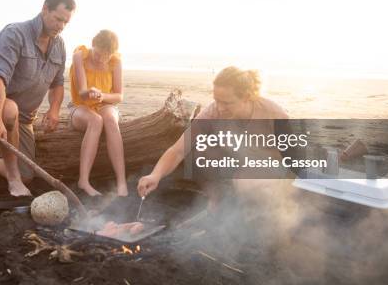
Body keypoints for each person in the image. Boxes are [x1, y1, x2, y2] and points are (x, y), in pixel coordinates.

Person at [0, 0, 76, 197]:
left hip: (24, 118)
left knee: (27, 175)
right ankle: (13, 181)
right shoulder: (15, 34)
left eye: (66, 22)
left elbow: (58, 84)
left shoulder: (59, 45)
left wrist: (54, 110)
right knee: (9, 109)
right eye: (58, 19)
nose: (61, 26)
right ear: (44, 9)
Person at [137, 66, 289, 210]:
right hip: (235, 161)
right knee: (199, 150)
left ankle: (254, 211)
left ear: (247, 97)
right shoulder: (213, 112)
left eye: (227, 103)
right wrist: (155, 175)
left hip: (268, 166)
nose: (220, 108)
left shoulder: (274, 114)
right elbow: (178, 150)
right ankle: (216, 199)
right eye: (217, 100)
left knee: (247, 183)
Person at [69, 30, 127, 196]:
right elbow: (81, 92)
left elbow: (119, 96)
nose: (101, 59)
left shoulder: (115, 62)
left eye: (106, 55)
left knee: (109, 119)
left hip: (104, 104)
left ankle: (121, 182)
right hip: (80, 106)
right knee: (96, 121)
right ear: (92, 45)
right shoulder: (80, 56)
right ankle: (84, 181)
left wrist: (102, 95)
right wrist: (90, 92)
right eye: (98, 53)